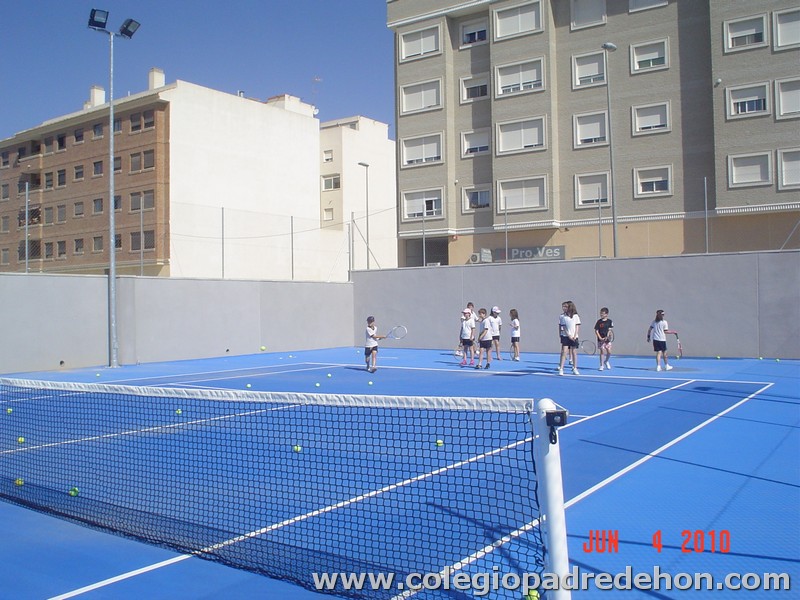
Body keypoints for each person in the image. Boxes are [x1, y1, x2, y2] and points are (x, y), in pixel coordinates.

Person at [557, 301, 581, 376]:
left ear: (570, 307)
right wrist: (569, 336)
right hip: (565, 336)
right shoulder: (562, 316)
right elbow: (563, 327)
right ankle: (561, 369)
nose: (563, 308)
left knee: (574, 352)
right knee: (564, 352)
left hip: (574, 337)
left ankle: (575, 368)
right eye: (563, 307)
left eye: (565, 307)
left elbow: (577, 327)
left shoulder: (576, 316)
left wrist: (574, 335)